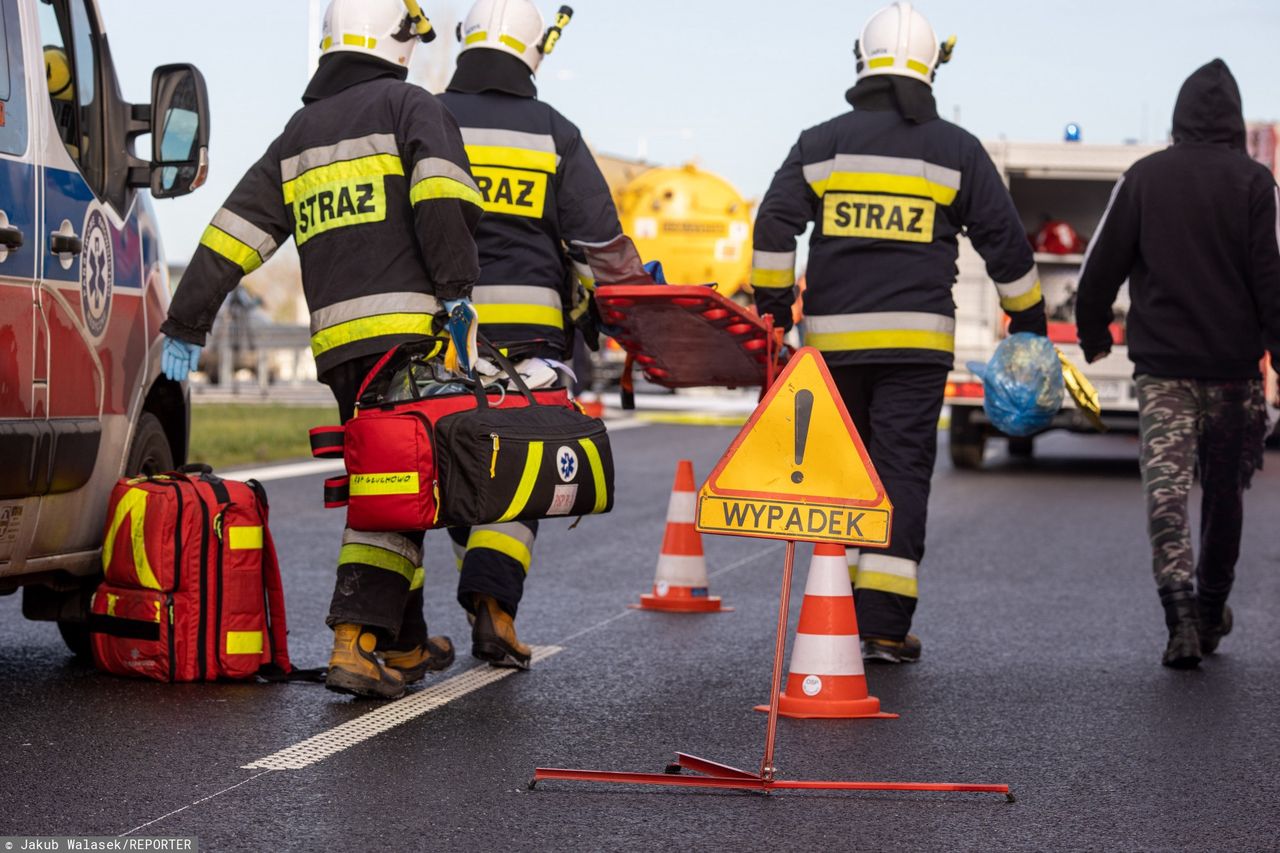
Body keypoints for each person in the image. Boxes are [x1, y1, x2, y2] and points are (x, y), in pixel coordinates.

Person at [159, 0, 484, 699]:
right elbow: (440, 203)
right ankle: (355, 639)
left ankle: (400, 640)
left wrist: (185, 323)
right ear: (394, 41)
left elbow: (230, 235)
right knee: (398, 492)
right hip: (407, 341)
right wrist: (458, 294)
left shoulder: (298, 133)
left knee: (390, 481)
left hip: (339, 351)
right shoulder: (410, 106)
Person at [750, 2, 1047, 663]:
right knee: (901, 472)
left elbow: (774, 224)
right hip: (916, 351)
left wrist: (774, 309)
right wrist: (1028, 323)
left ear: (862, 62)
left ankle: (834, 612)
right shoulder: (956, 149)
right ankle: (882, 624)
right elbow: (1004, 241)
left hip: (832, 348)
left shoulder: (821, 142)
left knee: (843, 473)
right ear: (930, 67)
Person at [437, 0, 652, 670]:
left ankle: (464, 596)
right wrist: (639, 291)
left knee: (448, 461)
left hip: (438, 334)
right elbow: (597, 242)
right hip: (530, 340)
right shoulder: (554, 131)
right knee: (516, 464)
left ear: (467, 41)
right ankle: (495, 603)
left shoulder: (425, 117)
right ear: (533, 52)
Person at [1075, 59, 1280, 669]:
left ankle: (1181, 618)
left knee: (1165, 495)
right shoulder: (1255, 182)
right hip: (1234, 374)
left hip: (1163, 371)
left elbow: (1099, 268)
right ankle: (1213, 608)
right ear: (1236, 122)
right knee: (1224, 496)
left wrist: (1094, 335)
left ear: (1179, 118)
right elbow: (1271, 278)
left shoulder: (1144, 178)